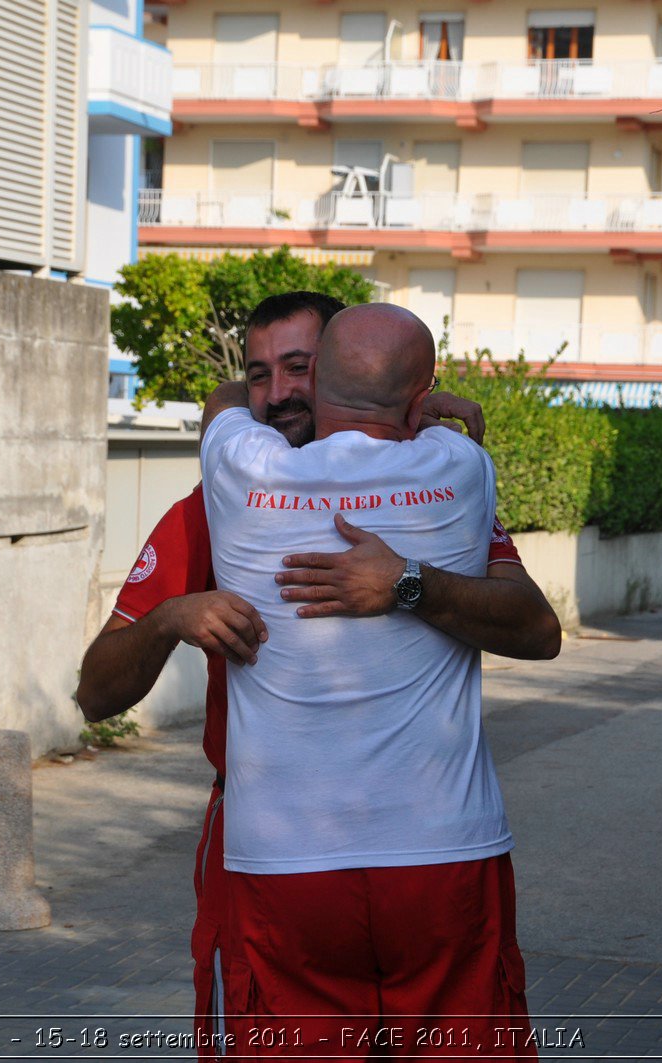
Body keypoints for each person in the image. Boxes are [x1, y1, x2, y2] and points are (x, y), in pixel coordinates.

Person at [75, 292, 561, 1059]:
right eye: (257, 374)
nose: (277, 394)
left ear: (331, 374)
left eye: (300, 368)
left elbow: (537, 629)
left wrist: (412, 581)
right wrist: (172, 616)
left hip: (315, 867)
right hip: (283, 853)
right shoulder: (213, 508)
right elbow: (95, 693)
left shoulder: (249, 478)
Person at [198, 303, 539, 1060]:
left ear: (313, 376)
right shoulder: (460, 468)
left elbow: (223, 405)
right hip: (442, 852)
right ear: (421, 402)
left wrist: (262, 391)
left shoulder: (241, 469)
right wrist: (424, 418)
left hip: (284, 862)